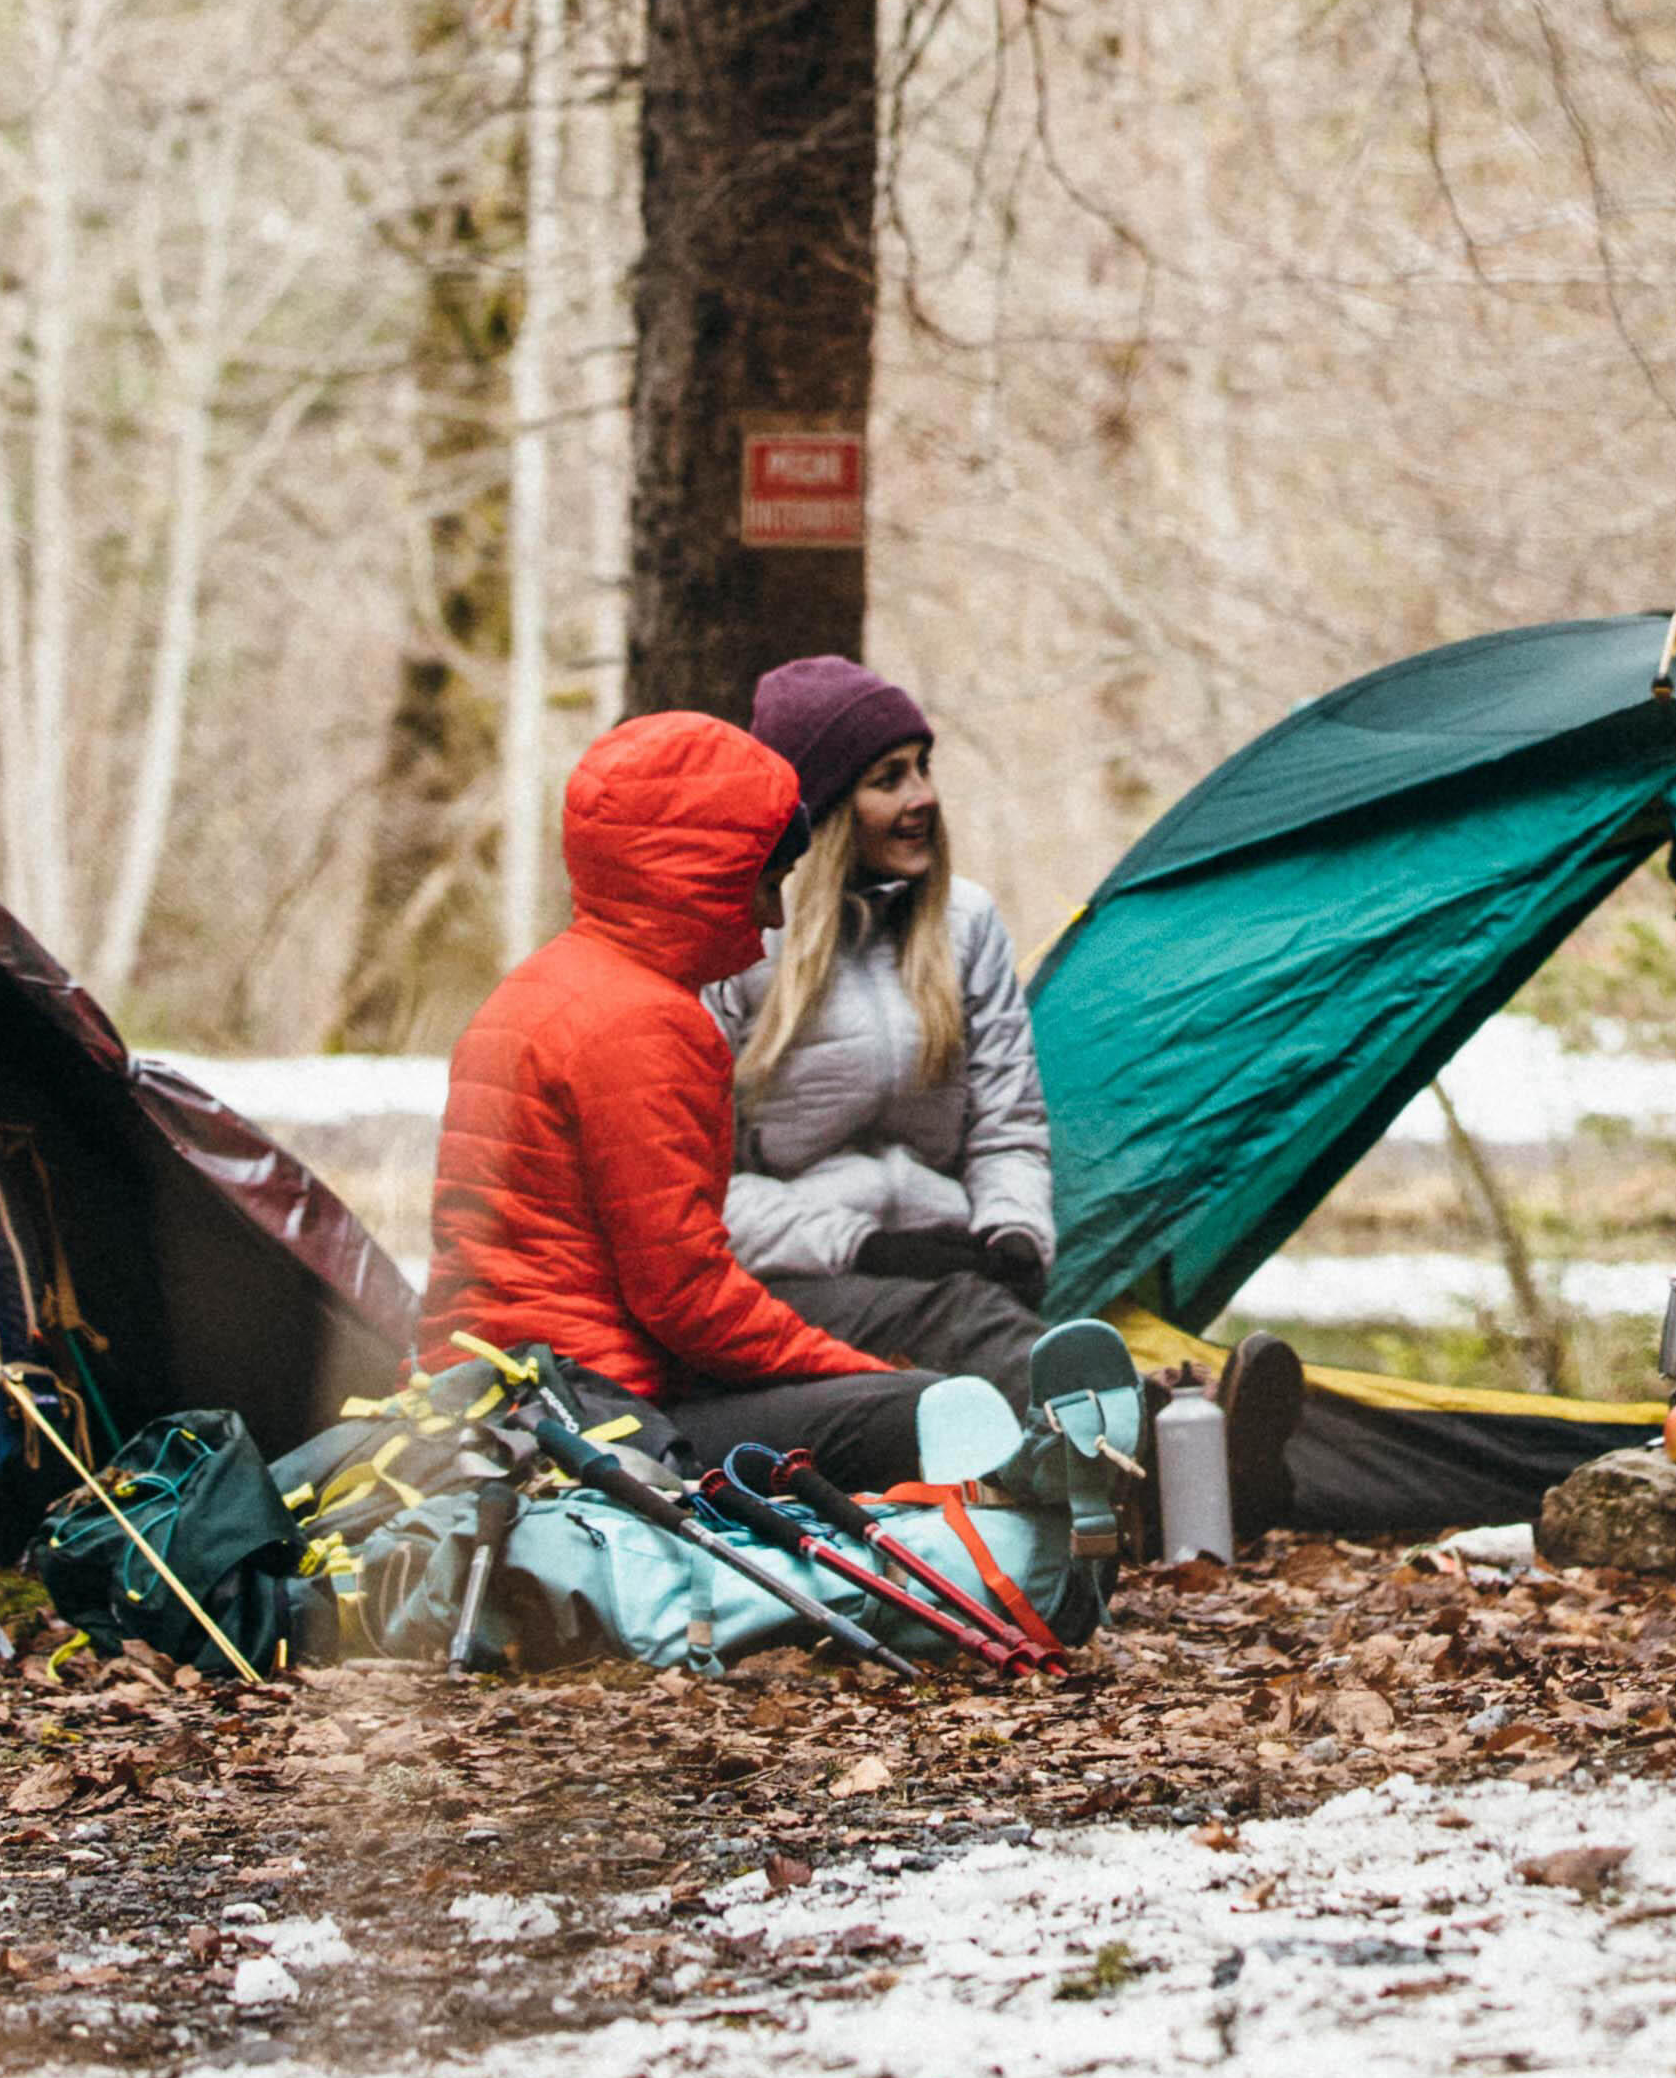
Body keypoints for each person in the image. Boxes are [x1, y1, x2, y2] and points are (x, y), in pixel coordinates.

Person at [708, 654, 1310, 1537]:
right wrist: (863, 1244)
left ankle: (1181, 1452)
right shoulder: (744, 945)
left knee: (1002, 1324)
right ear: (827, 810)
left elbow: (1008, 1121)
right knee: (964, 1320)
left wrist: (1014, 1232)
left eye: (924, 768)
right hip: (792, 1274)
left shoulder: (965, 925)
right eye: (888, 778)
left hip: (951, 1251)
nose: (922, 797)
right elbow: (702, 1187)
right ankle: (1174, 1453)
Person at [424, 710, 954, 1485]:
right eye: (766, 885)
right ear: (696, 881)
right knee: (927, 1411)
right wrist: (859, 1371)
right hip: (591, 1413)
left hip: (501, 1394)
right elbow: (687, 1299)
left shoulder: (543, 987)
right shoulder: (642, 1022)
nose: (774, 917)